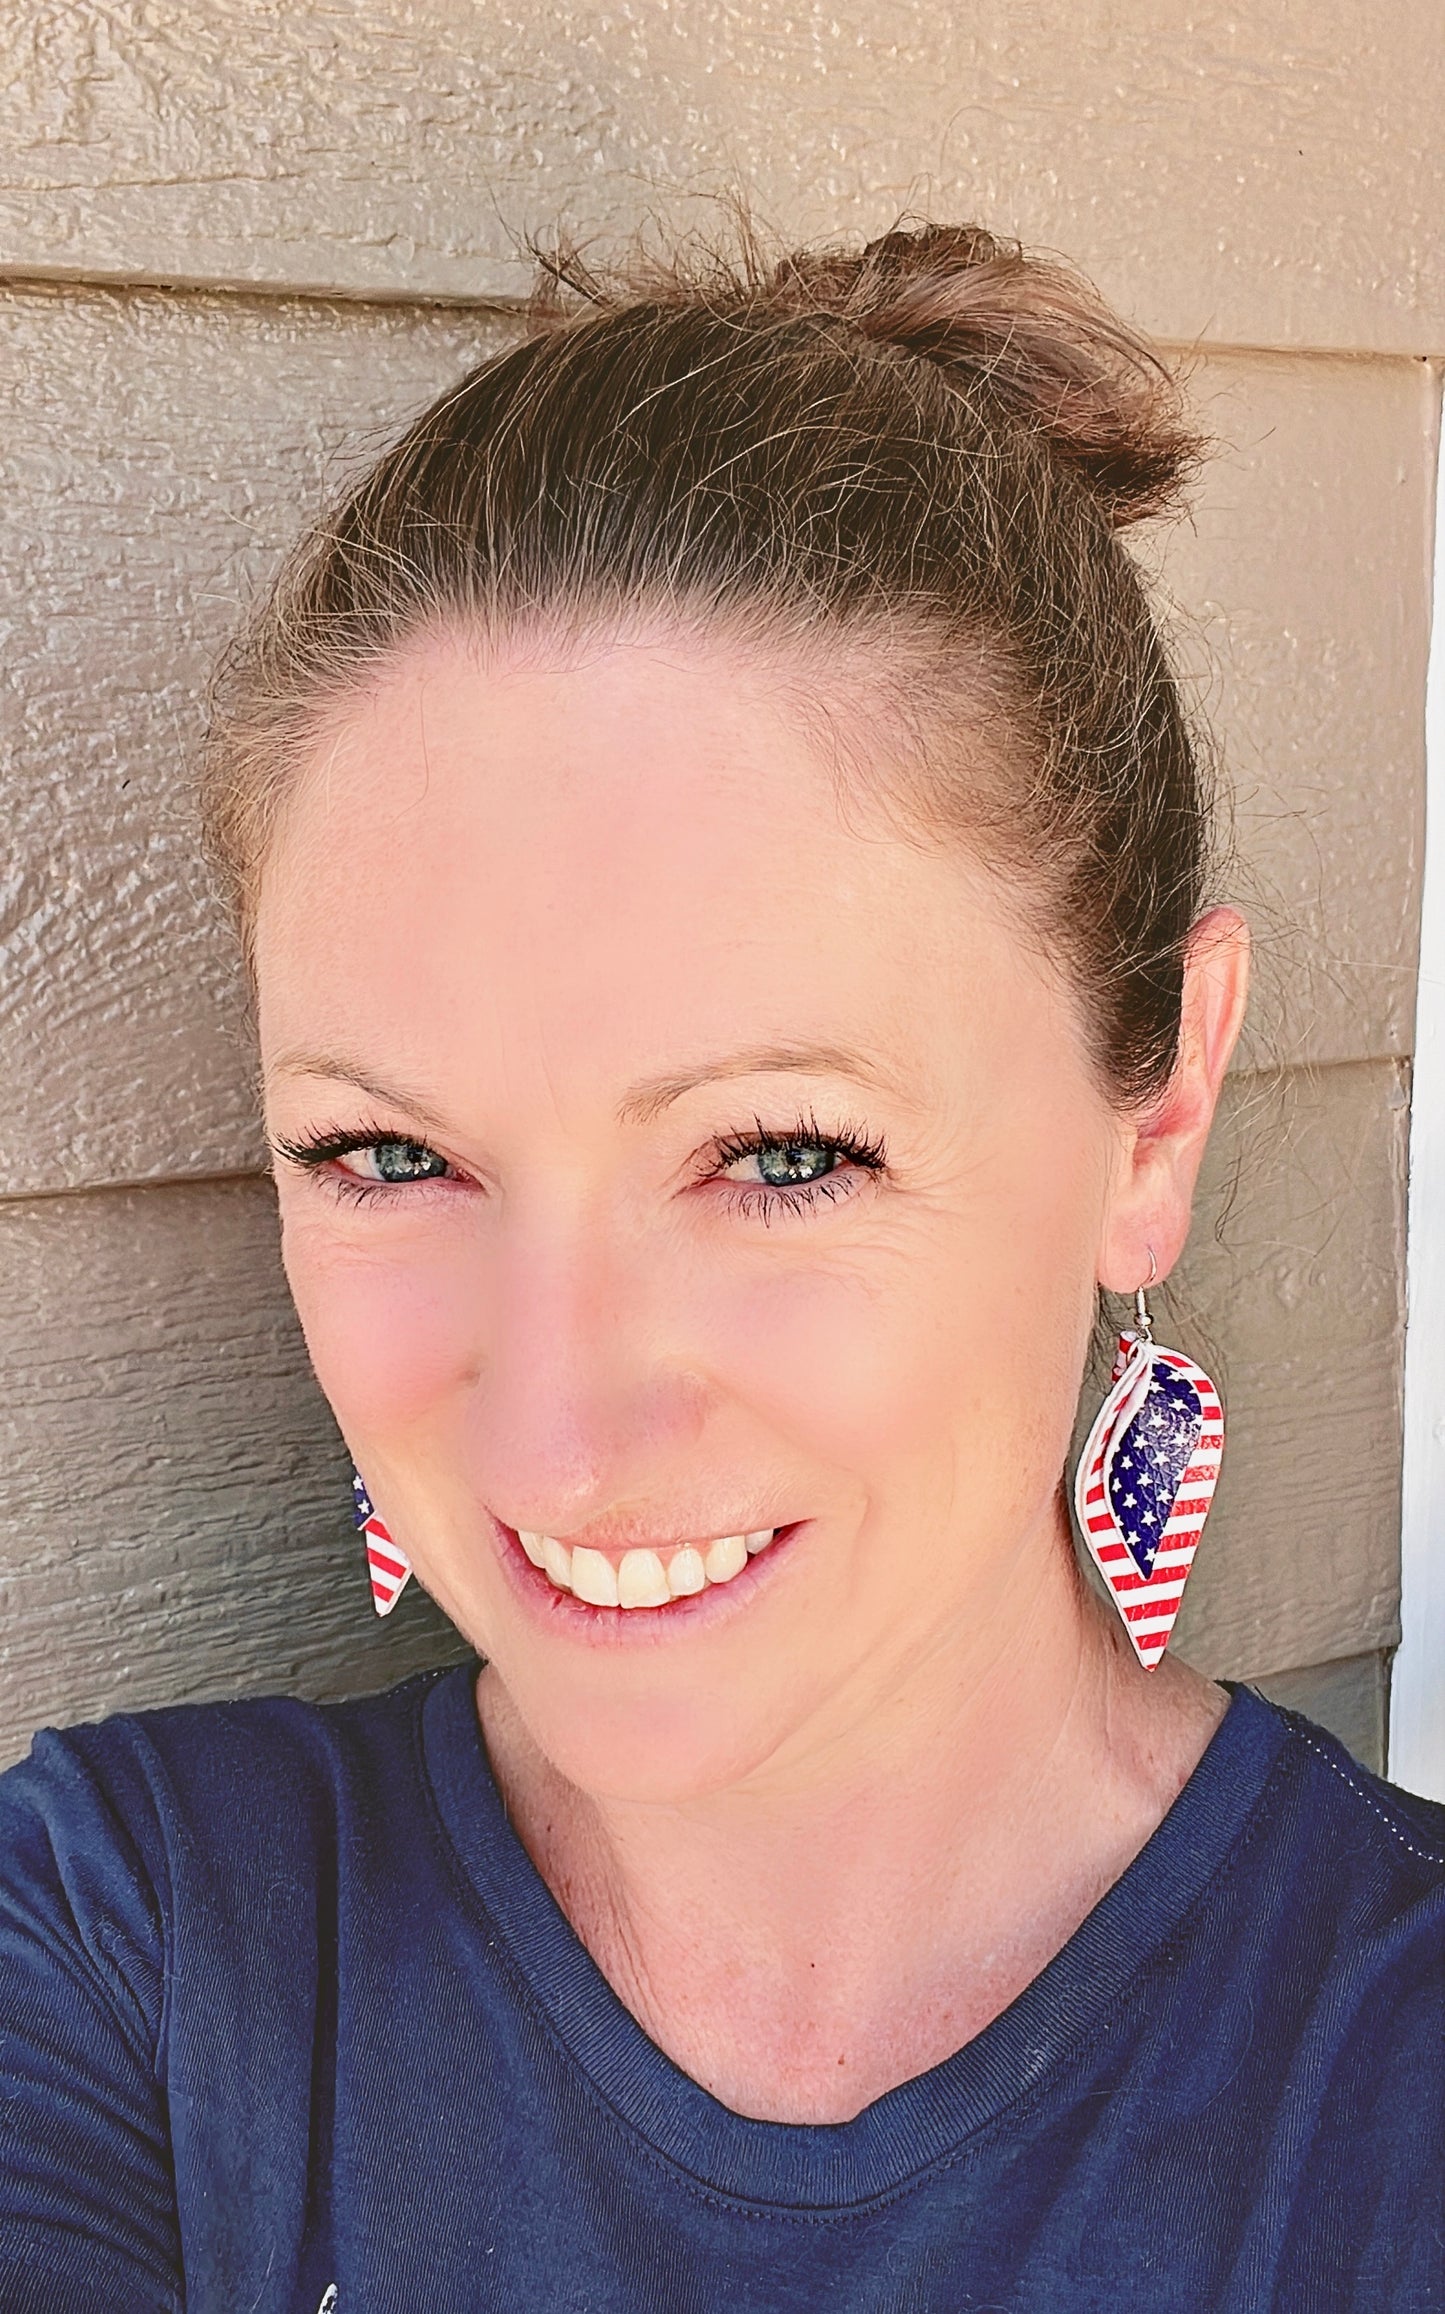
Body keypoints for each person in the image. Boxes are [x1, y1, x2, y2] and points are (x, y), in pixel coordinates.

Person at [0, 219, 1439, 2314]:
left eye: (781, 1153)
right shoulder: (130, 1955)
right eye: (389, 1151)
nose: (561, 1436)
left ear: (1160, 1114)